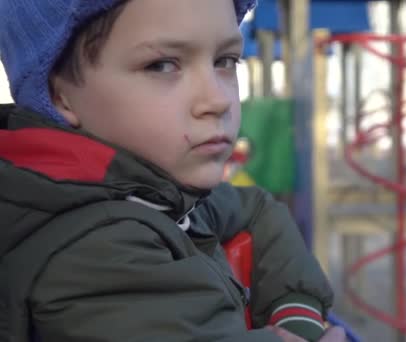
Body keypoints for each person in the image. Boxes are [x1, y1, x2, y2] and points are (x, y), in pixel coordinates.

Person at [0, 0, 345, 341]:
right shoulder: (94, 255)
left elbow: (256, 209)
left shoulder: (152, 194)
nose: (217, 100)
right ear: (61, 95)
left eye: (225, 61)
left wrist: (296, 314)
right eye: (162, 66)